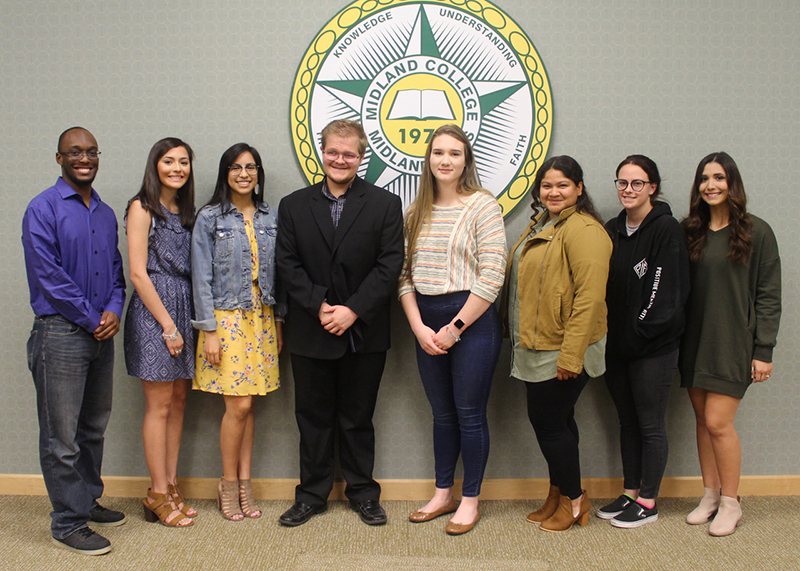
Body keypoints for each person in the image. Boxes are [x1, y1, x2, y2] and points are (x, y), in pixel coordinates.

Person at [276, 119, 404, 527]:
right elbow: (286, 264)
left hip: (363, 330)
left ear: (361, 157)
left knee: (357, 418)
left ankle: (363, 493)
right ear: (322, 151)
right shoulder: (294, 205)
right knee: (311, 419)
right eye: (334, 151)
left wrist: (352, 310)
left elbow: (390, 266)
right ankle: (311, 496)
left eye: (349, 154)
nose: (340, 160)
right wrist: (320, 306)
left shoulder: (385, 204)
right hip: (310, 329)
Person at [22, 127, 127, 555]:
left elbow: (118, 272)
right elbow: (49, 277)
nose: (84, 158)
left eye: (91, 152)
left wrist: (114, 311)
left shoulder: (103, 212)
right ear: (60, 158)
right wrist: (91, 317)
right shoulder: (42, 209)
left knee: (92, 428)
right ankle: (66, 521)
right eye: (75, 152)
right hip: (60, 334)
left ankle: (86, 501)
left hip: (101, 333)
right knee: (60, 436)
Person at [399, 125, 506, 536]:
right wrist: (419, 328)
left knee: (469, 415)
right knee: (442, 416)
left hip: (472, 322)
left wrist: (455, 328)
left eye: (455, 153)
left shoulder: (482, 206)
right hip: (425, 322)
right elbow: (403, 276)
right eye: (438, 152)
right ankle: (443, 493)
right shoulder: (415, 212)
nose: (445, 160)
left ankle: (470, 499)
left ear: (466, 161)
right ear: (428, 159)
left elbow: (493, 273)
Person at [502, 155, 611, 533]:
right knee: (558, 422)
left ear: (579, 189)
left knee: (549, 423)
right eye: (547, 185)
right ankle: (559, 492)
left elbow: (589, 299)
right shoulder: (543, 223)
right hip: (538, 344)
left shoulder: (585, 230)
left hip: (562, 348)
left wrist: (571, 355)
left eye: (562, 185)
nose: (554, 192)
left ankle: (574, 499)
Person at [679, 152, 781, 537]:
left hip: (732, 343)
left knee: (720, 423)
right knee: (703, 423)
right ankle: (709, 495)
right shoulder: (690, 231)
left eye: (719, 177)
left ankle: (731, 503)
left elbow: (770, 295)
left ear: (732, 183)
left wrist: (764, 351)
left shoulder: (757, 232)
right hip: (694, 340)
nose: (711, 185)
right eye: (704, 178)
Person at [191, 143, 282, 521]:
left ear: (258, 173)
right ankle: (227, 483)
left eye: (251, 167)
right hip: (225, 320)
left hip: (261, 319)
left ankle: (245, 484)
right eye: (235, 167)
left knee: (251, 403)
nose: (244, 174)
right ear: (224, 172)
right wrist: (208, 330)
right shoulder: (210, 218)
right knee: (238, 405)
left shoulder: (270, 217)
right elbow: (201, 276)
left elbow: (280, 274)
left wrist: (279, 323)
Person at [598, 155, 690, 527]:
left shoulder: (666, 229)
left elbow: (664, 290)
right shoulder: (611, 229)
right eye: (622, 183)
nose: (628, 190)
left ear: (652, 187)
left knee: (650, 424)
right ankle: (631, 490)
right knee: (627, 422)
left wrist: (639, 328)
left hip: (653, 348)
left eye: (637, 183)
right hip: (616, 349)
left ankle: (649, 502)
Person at [124, 138, 196, 527]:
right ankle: (156, 493)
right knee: (159, 404)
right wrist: (168, 325)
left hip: (184, 304)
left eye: (183, 162)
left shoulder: (185, 211)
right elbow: (137, 271)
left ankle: (170, 484)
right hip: (155, 312)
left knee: (180, 399)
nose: (177, 168)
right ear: (155, 165)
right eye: (169, 161)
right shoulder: (142, 207)